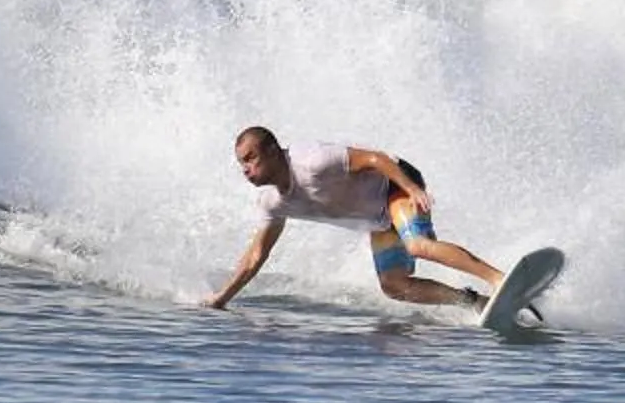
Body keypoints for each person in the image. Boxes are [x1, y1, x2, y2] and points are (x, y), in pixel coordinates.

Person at [208, 125, 508, 312]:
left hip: (394, 185)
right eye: (241, 163)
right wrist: (222, 298)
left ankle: (498, 279)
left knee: (417, 245)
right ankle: (473, 302)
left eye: (251, 158)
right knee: (393, 286)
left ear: (273, 151)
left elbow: (376, 159)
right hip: (377, 219)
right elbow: (255, 256)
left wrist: (412, 188)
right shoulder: (273, 203)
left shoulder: (312, 160)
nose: (245, 169)